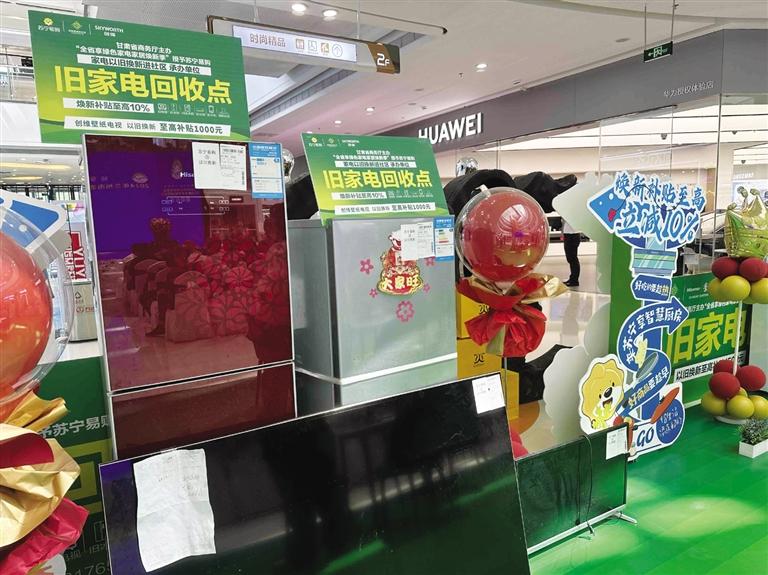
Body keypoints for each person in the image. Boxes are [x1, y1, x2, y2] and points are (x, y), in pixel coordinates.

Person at [562, 217, 581, 287]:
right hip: (569, 234)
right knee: (571, 259)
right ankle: (573, 279)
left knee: (572, 259)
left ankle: (574, 280)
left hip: (572, 235)